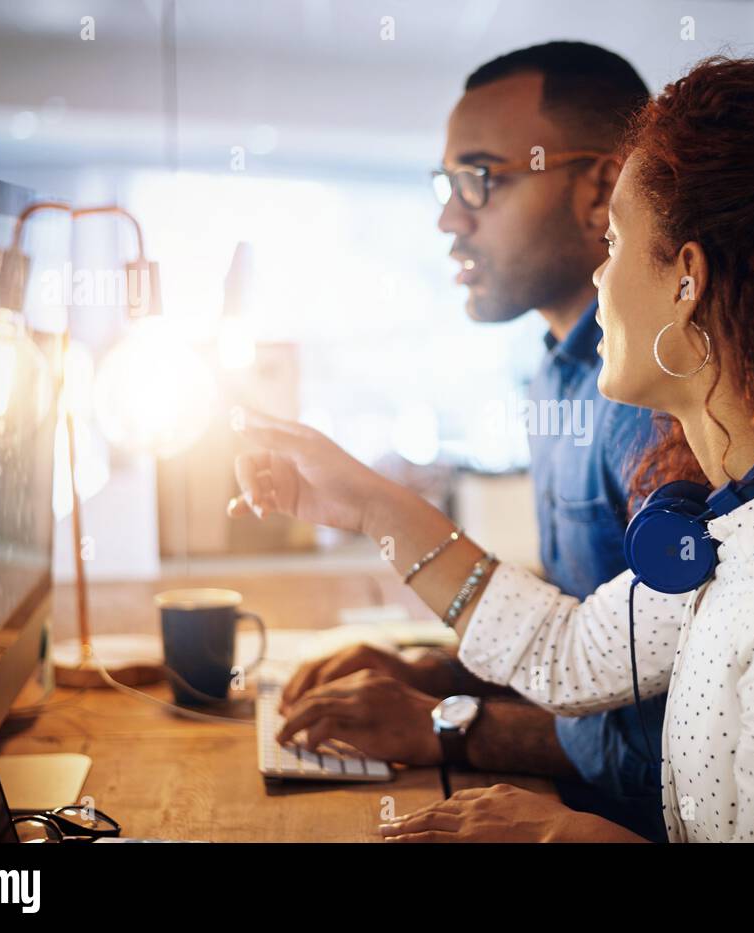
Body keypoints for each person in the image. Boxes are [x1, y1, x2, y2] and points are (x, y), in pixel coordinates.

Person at [232, 56, 754, 842]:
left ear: (687, 278)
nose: (601, 274)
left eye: (621, 241)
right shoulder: (747, 520)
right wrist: (367, 502)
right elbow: (562, 653)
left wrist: (570, 832)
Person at [268, 42, 686, 841]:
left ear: (601, 188)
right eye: (446, 184)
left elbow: (669, 729)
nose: (448, 217)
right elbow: (588, 633)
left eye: (480, 180)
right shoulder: (559, 374)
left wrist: (450, 722)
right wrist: (434, 671)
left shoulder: (655, 396)